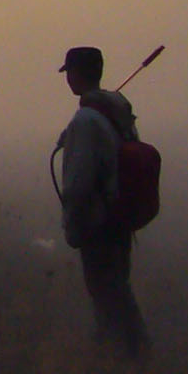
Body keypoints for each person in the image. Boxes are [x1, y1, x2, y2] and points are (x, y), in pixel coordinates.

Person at [52, 45, 150, 358]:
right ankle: (124, 358)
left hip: (98, 226)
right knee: (117, 290)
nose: (68, 79)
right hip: (120, 221)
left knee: (108, 297)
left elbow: (78, 186)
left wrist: (73, 227)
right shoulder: (118, 111)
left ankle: (129, 359)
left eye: (69, 73)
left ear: (76, 75)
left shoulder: (86, 121)